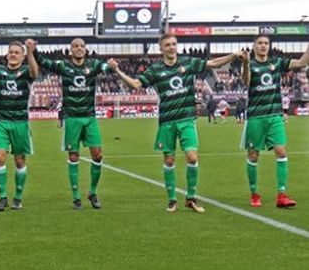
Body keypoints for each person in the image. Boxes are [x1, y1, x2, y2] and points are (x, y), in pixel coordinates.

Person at [108, 33, 244, 213]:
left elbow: (213, 63)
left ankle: (191, 198)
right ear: (161, 49)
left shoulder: (187, 62)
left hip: (187, 119)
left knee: (192, 157)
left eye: (174, 44)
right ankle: (172, 200)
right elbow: (135, 84)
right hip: (167, 122)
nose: (171, 47)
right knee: (169, 160)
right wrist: (117, 71)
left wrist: (233, 55)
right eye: (168, 45)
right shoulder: (155, 70)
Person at [28, 37, 110, 209]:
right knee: (73, 156)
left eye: (82, 46)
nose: (79, 48)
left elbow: (105, 68)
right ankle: (76, 197)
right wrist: (34, 49)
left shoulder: (94, 65)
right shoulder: (64, 66)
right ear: (70, 50)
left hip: (90, 117)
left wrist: (111, 65)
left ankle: (93, 193)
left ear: (85, 49)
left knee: (98, 154)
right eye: (75, 46)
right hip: (71, 117)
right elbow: (43, 62)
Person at [240, 35, 309, 208]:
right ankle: (255, 194)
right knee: (253, 155)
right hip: (256, 117)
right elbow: (246, 82)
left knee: (281, 152)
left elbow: (301, 63)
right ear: (254, 46)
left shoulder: (277, 63)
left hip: (275, 116)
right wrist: (246, 63)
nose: (263, 46)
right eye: (260, 43)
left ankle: (282, 195)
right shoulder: (250, 64)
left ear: (269, 46)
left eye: (266, 43)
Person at [0, 39, 38, 212]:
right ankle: (2, 197)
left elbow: (34, 72)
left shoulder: (26, 71)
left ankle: (17, 197)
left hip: (20, 122)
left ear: (23, 56)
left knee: (19, 160)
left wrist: (31, 53)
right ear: (6, 54)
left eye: (17, 52)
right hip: (1, 120)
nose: (13, 54)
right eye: (11, 51)